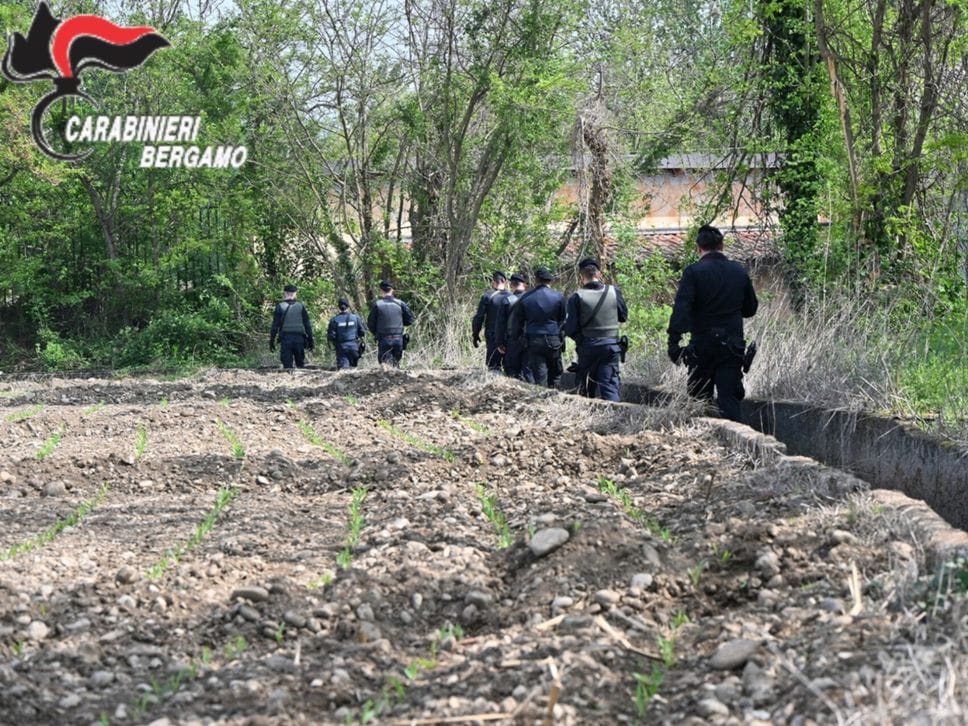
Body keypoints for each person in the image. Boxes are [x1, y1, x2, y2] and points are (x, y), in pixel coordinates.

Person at [667, 224, 758, 421]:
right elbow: (750, 309)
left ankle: (703, 446)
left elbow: (681, 309)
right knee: (729, 401)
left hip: (702, 347)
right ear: (722, 246)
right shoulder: (739, 272)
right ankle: (736, 446)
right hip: (731, 348)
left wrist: (673, 343)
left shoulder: (693, 272)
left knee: (700, 402)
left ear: (698, 247)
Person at [564, 258, 629, 401]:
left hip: (587, 347)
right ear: (599, 274)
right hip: (610, 347)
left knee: (584, 386)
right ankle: (614, 417)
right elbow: (623, 316)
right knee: (610, 385)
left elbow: (570, 328)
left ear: (581, 277)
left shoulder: (576, 297)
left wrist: (581, 340)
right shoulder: (614, 292)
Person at [509, 266, 566, 388]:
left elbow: (517, 322)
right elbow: (563, 319)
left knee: (539, 374)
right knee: (555, 371)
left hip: (533, 339)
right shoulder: (558, 297)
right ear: (550, 281)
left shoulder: (526, 298)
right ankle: (555, 396)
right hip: (553, 338)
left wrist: (515, 339)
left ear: (536, 280)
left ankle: (542, 398)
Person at [367, 280, 415, 368]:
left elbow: (370, 324)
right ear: (392, 290)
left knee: (385, 366)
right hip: (398, 339)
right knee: (396, 364)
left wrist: (376, 334)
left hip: (384, 339)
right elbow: (410, 320)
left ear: (381, 290)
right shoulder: (401, 304)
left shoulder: (377, 305)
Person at [495, 273, 532, 382]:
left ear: (511, 285)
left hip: (512, 340)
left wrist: (499, 342)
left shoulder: (507, 300)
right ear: (524, 285)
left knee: (512, 372)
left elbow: (500, 324)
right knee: (529, 372)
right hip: (530, 339)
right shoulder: (532, 299)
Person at [269, 284, 315, 370]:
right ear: (295, 294)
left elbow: (275, 325)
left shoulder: (280, 307)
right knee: (300, 364)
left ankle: (289, 380)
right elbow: (307, 325)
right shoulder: (301, 307)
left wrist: (272, 340)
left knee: (287, 365)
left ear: (285, 293)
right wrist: (310, 340)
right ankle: (301, 381)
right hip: (299, 338)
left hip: (286, 338)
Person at [471, 270, 510, 371]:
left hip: (492, 335)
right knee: (509, 367)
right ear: (505, 281)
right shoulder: (512, 297)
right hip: (509, 336)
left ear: (493, 282)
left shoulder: (487, 296)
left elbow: (479, 317)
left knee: (493, 365)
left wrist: (475, 334)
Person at [327, 298, 367, 370]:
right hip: (354, 347)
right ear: (348, 306)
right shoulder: (355, 318)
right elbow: (362, 332)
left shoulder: (334, 320)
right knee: (354, 370)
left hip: (342, 348)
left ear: (339, 307)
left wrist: (336, 343)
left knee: (344, 371)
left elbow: (331, 336)